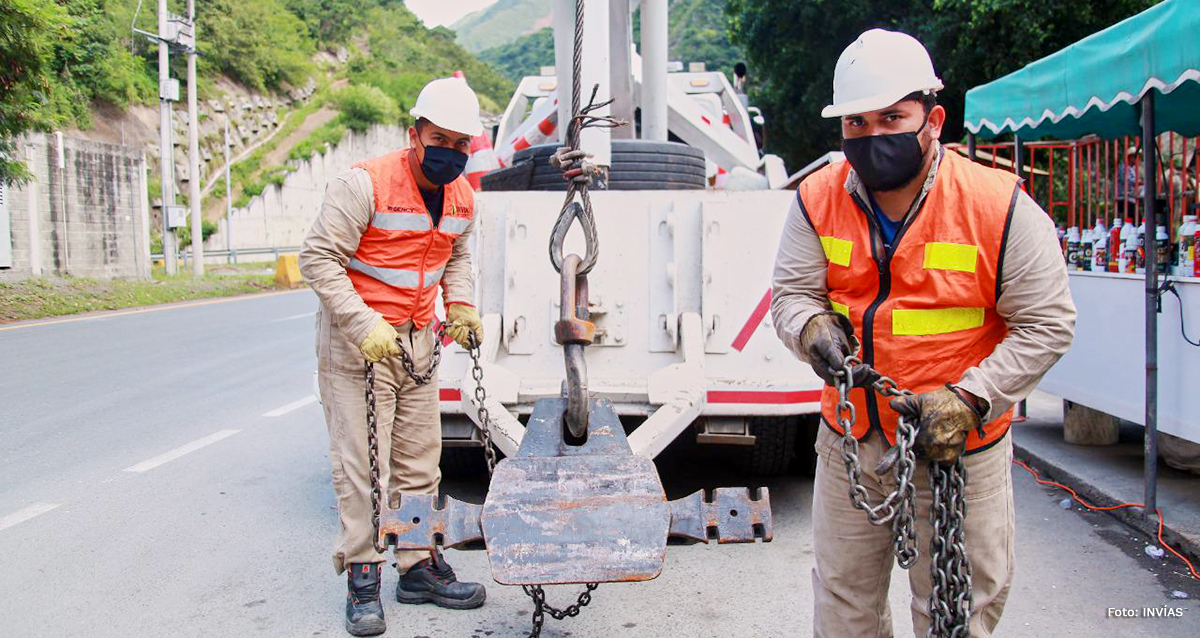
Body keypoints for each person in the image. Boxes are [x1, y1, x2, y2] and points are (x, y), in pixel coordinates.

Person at [771, 29, 1076, 637]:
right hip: (852, 436)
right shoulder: (816, 199)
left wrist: (967, 399)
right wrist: (811, 331)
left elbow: (1047, 322)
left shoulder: (997, 207)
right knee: (844, 607)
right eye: (856, 122)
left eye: (891, 117)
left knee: (958, 614)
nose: (872, 135)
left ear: (932, 119)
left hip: (959, 447)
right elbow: (792, 293)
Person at [299, 76, 488, 637]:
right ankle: (362, 576)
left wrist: (463, 306)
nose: (450, 152)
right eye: (441, 139)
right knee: (363, 469)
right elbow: (318, 259)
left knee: (419, 462)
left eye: (462, 145)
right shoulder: (364, 185)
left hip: (417, 343)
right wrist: (363, 324)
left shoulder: (462, 197)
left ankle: (417, 567)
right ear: (415, 133)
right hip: (359, 344)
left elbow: (456, 257)